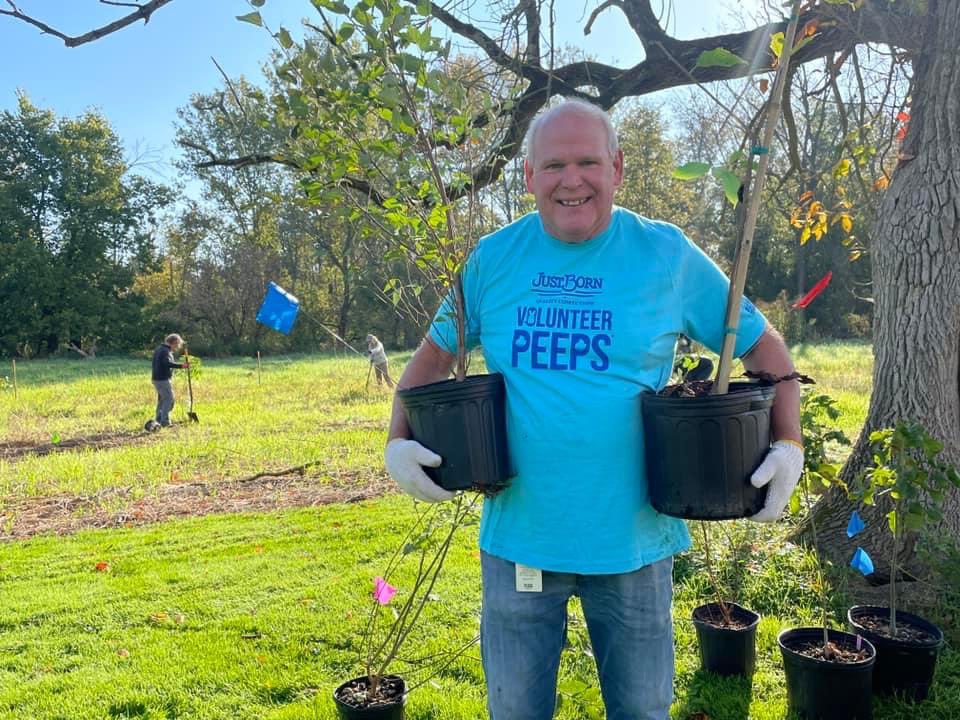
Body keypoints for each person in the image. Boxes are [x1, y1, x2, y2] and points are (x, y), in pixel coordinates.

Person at [384, 99, 803, 720]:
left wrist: (788, 443)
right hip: (521, 542)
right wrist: (396, 441)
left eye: (588, 162)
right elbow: (431, 359)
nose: (571, 180)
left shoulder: (666, 255)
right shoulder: (493, 260)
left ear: (618, 168)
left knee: (641, 711)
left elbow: (766, 350)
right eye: (554, 165)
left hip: (634, 543)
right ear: (529, 175)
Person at [151, 333, 189, 427]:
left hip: (157, 379)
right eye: (177, 344)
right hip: (162, 380)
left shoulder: (160, 349)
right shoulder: (165, 351)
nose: (177, 347)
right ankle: (165, 422)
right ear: (174, 342)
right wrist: (182, 366)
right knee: (169, 400)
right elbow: (167, 363)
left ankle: (158, 421)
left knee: (162, 400)